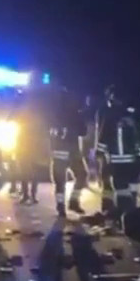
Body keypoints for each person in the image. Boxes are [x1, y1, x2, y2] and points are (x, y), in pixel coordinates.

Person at [96, 86, 140, 222]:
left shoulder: (110, 115)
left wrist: (99, 153)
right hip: (132, 159)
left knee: (120, 186)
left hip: (116, 159)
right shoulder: (133, 115)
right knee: (131, 186)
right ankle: (132, 212)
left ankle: (123, 214)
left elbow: (104, 136)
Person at [47, 89, 88, 217]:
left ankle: (62, 206)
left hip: (60, 151)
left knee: (61, 181)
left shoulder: (53, 113)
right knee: (81, 175)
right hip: (72, 150)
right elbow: (83, 132)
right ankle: (72, 202)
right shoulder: (75, 114)